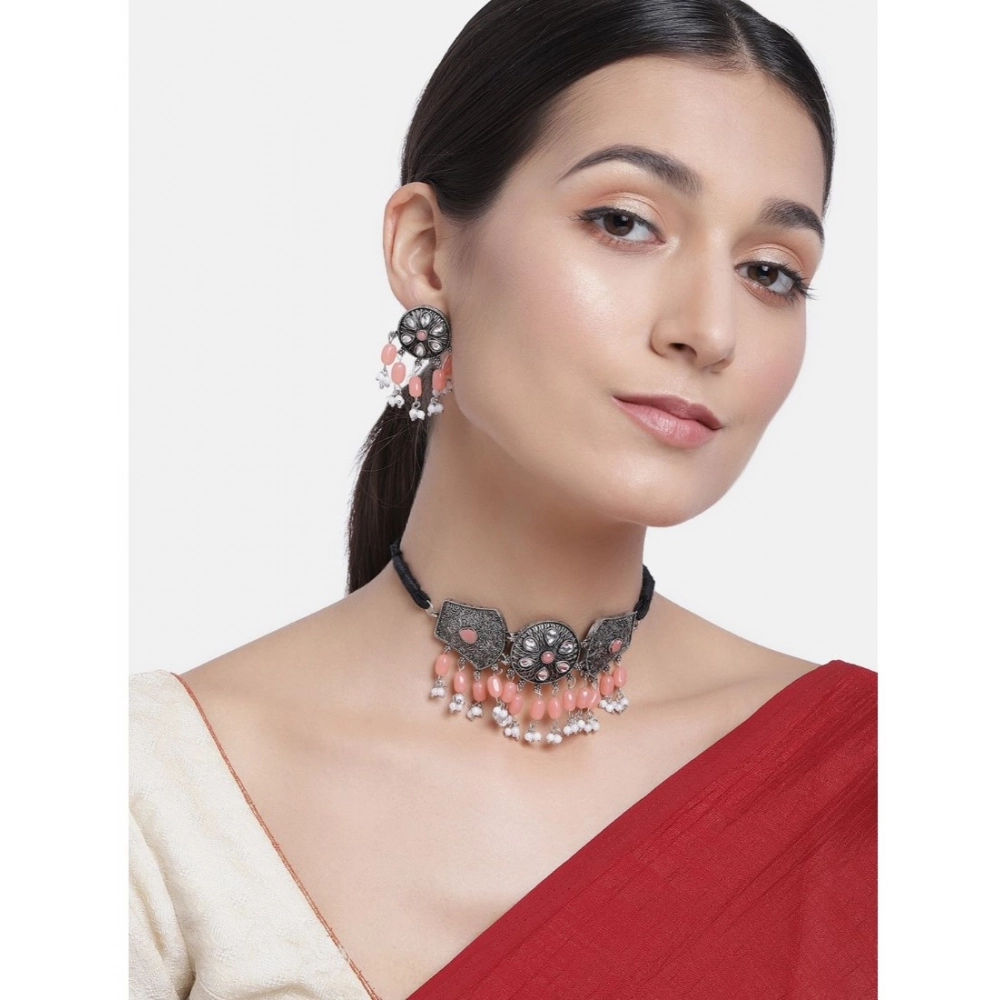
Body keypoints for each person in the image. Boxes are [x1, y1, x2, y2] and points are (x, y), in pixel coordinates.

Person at [129, 0, 876, 997]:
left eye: (769, 272)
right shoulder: (152, 796)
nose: (710, 329)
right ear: (428, 251)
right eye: (625, 222)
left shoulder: (871, 778)